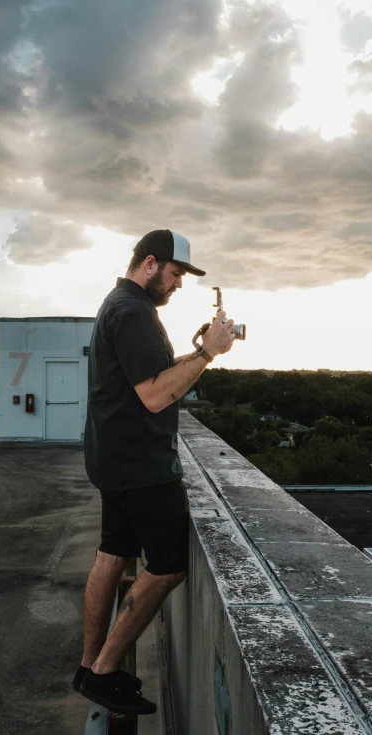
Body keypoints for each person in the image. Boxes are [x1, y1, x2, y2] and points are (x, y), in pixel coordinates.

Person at [72, 229, 235, 715]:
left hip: (115, 458)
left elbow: (151, 376)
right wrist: (208, 355)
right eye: (176, 272)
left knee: (113, 553)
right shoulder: (134, 313)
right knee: (167, 567)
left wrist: (203, 347)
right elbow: (155, 394)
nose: (180, 283)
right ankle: (103, 672)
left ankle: (87, 667)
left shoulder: (118, 304)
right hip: (142, 466)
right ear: (149, 263)